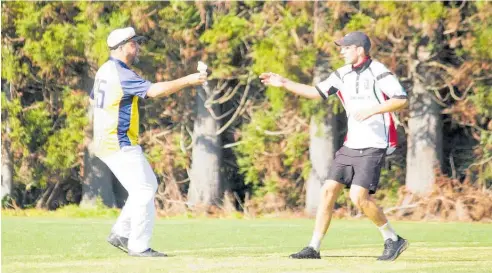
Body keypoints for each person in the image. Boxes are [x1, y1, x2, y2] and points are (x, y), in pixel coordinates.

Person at [259, 31, 409, 261]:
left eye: (346, 47)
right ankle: (313, 248)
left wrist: (371, 110)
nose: (341, 51)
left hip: (375, 144)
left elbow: (401, 99)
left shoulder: (379, 71)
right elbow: (315, 92)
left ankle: (393, 239)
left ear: (359, 49)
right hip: (351, 144)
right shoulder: (342, 74)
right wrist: (284, 83)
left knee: (359, 197)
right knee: (328, 191)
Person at [90, 27, 207, 257]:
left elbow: (93, 98)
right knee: (144, 189)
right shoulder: (121, 73)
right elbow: (154, 91)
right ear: (122, 47)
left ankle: (121, 233)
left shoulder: (105, 69)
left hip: (108, 141)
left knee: (146, 186)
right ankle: (138, 245)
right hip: (119, 142)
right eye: (134, 44)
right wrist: (189, 80)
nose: (138, 48)